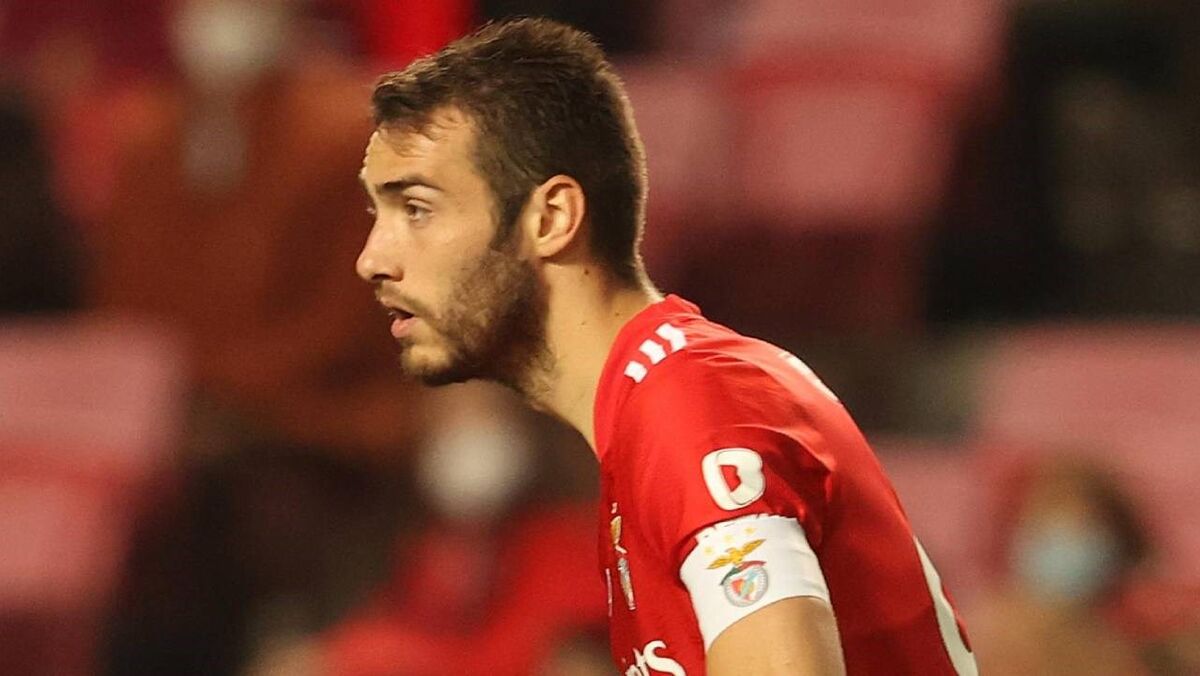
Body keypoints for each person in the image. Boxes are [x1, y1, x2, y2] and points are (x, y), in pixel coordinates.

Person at [354, 18, 976, 676]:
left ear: (552, 219)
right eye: (377, 215)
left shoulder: (691, 406)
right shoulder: (647, 415)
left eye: (417, 209)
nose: (372, 260)